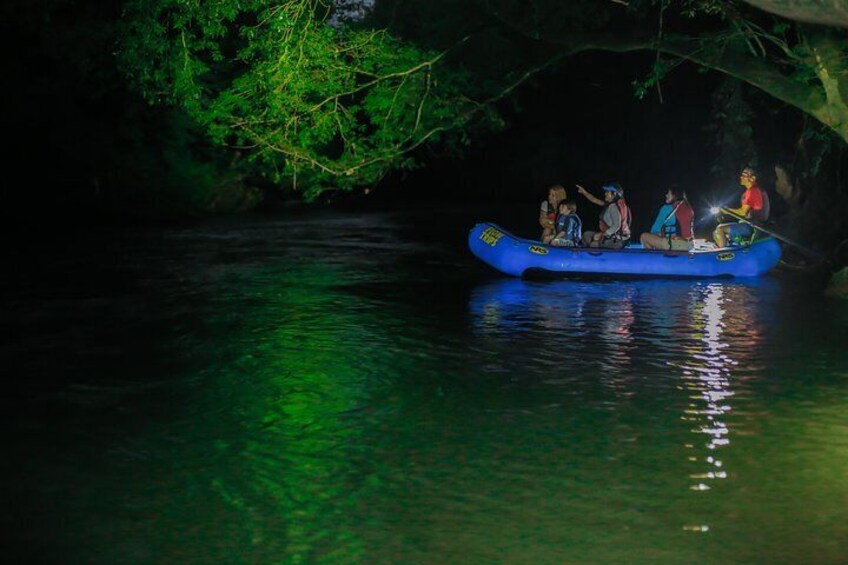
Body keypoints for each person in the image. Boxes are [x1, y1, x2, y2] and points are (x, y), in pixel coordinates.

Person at [714, 168, 770, 248]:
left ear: (753, 178)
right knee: (727, 229)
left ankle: (723, 254)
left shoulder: (752, 191)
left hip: (751, 226)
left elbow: (743, 212)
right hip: (752, 224)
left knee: (719, 229)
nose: (741, 177)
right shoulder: (757, 190)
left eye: (744, 175)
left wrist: (726, 211)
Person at [576, 183, 632, 249]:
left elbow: (616, 226)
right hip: (619, 239)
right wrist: (584, 192)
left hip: (617, 241)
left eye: (607, 192)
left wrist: (602, 234)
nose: (605, 194)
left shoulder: (613, 207)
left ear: (614, 194)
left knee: (593, 244)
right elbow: (594, 200)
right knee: (586, 235)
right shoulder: (620, 205)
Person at [640, 186, 694, 250]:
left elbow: (654, 230)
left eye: (668, 193)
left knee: (644, 237)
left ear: (674, 196)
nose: (666, 195)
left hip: (675, 244)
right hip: (689, 245)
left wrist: (660, 234)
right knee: (663, 238)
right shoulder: (689, 208)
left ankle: (654, 258)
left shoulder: (666, 208)